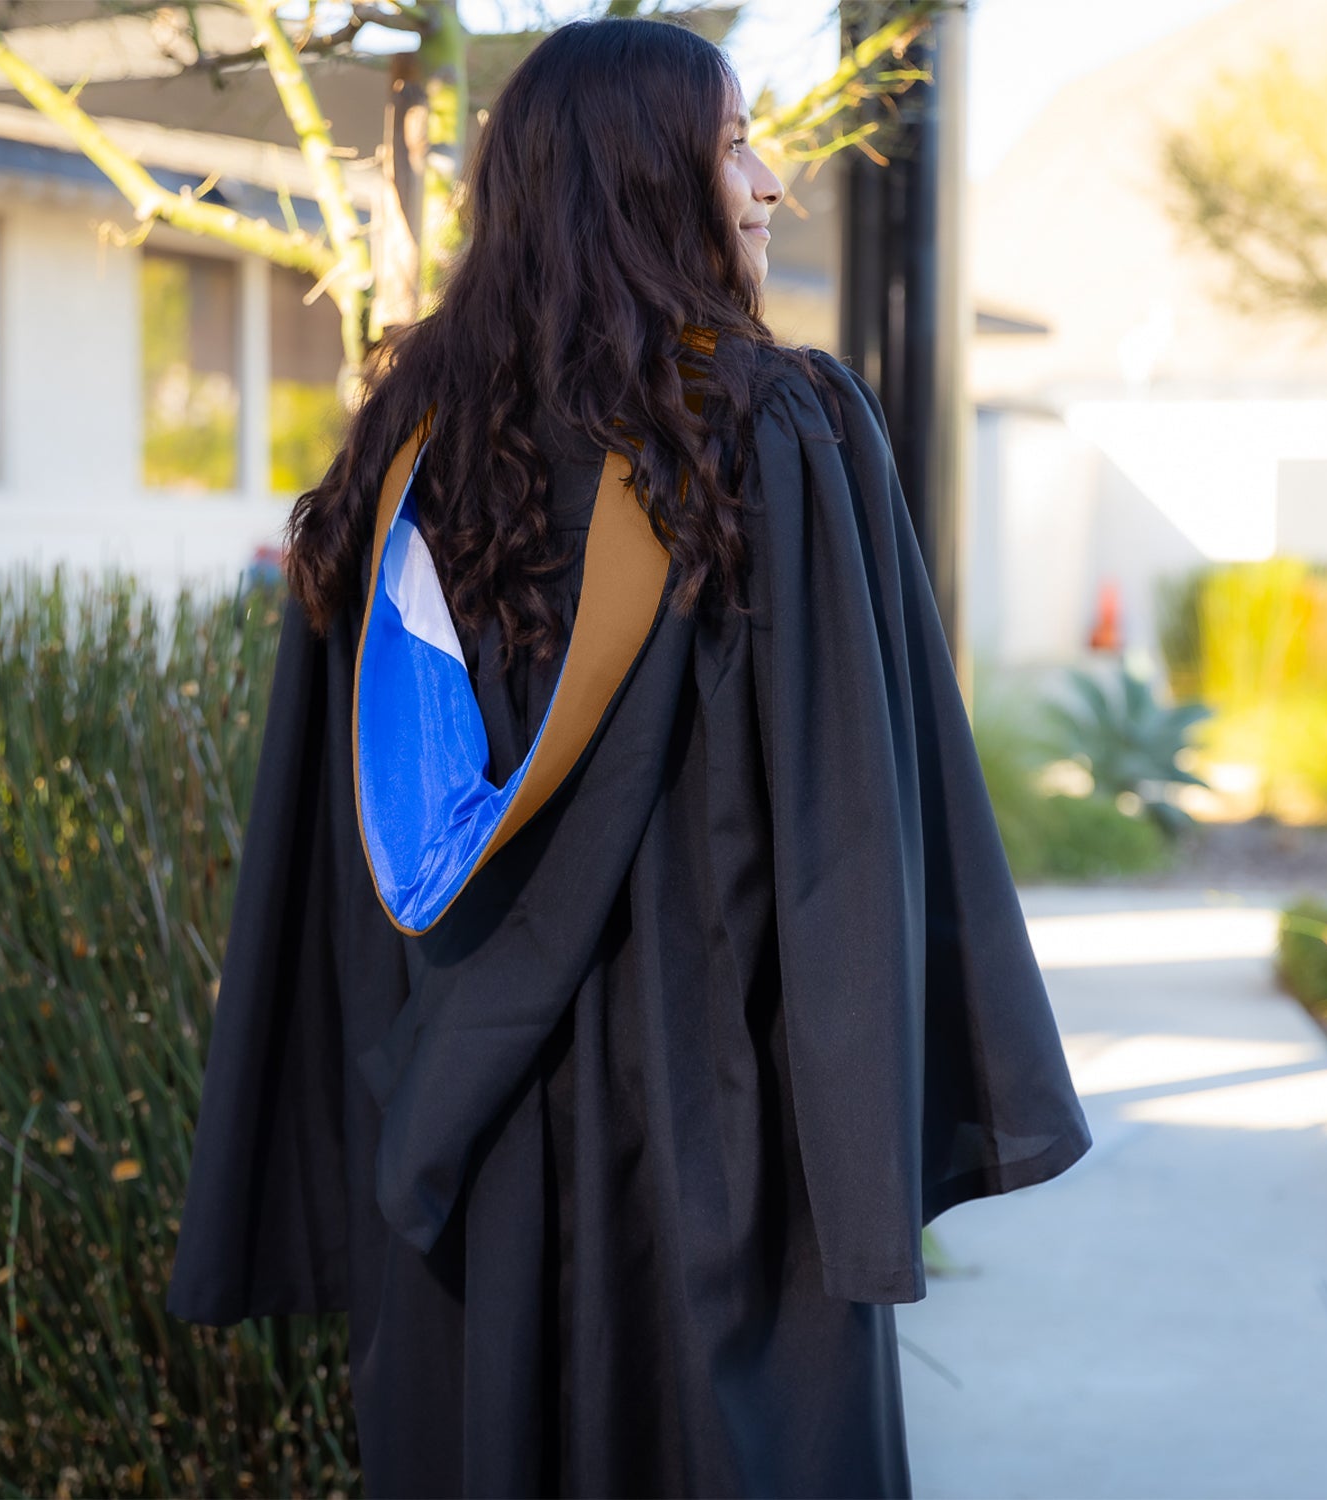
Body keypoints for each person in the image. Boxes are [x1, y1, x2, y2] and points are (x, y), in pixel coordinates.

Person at [165, 16, 1093, 1500]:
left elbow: (342, 875)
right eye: (733, 143)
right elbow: (853, 830)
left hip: (456, 1150)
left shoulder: (400, 459)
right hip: (713, 1153)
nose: (771, 182)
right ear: (642, 180)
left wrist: (377, 1133)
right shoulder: (773, 429)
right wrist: (862, 1176)